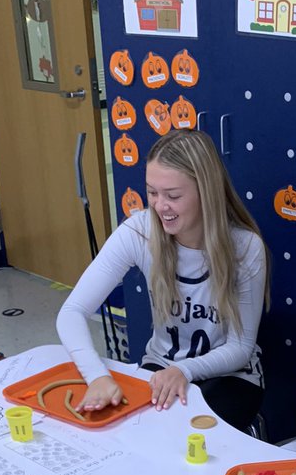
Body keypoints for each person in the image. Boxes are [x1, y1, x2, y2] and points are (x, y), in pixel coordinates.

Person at [57, 129, 269, 432]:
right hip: (161, 367)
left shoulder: (245, 247)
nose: (159, 206)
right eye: (152, 192)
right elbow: (71, 312)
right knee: (131, 435)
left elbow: (240, 347)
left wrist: (184, 370)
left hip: (232, 375)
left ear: (206, 192)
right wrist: (97, 377)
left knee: (187, 438)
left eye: (173, 195)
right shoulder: (139, 231)